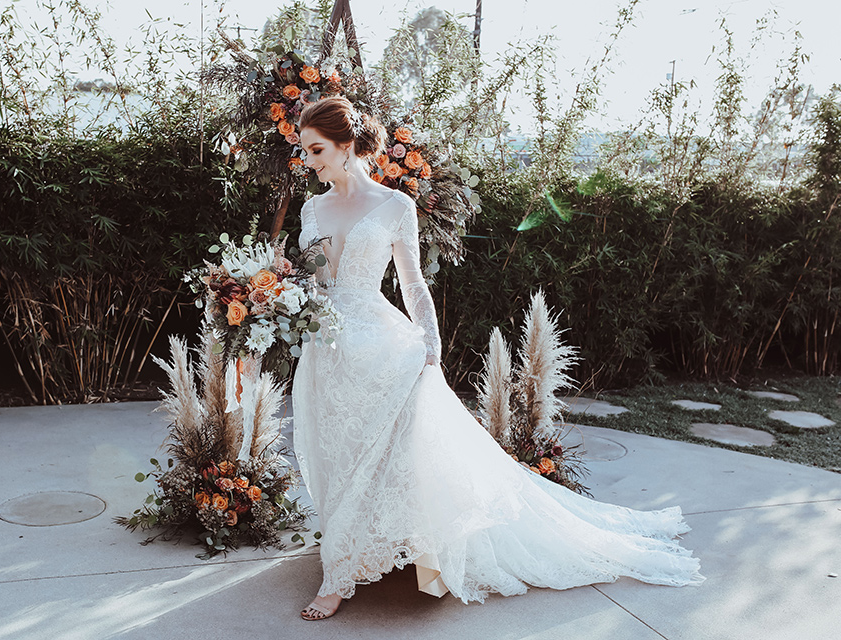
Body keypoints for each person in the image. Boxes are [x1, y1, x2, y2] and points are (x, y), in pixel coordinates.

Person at [292, 96, 703, 621]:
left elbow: (413, 284)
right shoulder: (312, 208)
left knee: (395, 454)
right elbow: (308, 280)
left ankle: (368, 572)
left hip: (382, 345)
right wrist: (275, 298)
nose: (309, 161)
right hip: (326, 348)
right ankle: (345, 553)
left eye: (316, 149)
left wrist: (432, 345)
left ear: (347, 146)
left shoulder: (394, 206)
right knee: (339, 453)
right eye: (304, 151)